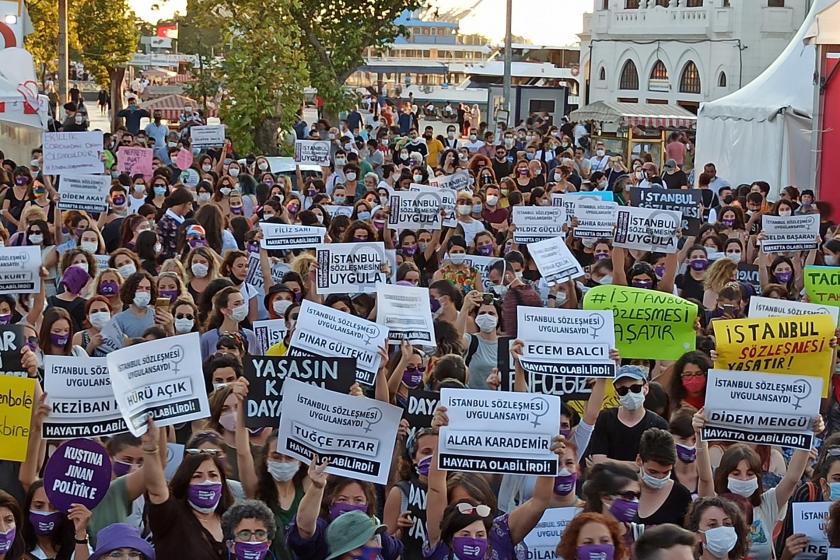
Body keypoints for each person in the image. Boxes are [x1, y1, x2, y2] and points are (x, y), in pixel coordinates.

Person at [590, 365, 669, 467]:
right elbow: (598, 461)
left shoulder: (659, 424)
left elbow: (657, 467)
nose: (630, 393)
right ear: (617, 394)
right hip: (610, 481)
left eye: (635, 388)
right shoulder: (605, 418)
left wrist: (609, 463)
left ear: (645, 389)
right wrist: (639, 466)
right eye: (623, 391)